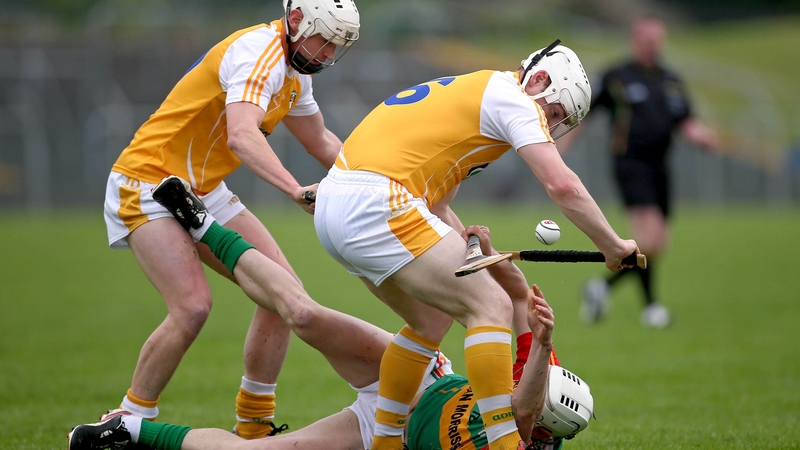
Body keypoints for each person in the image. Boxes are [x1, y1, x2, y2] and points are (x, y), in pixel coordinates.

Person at [69, 186, 593, 450]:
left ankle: (127, 433)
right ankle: (203, 222)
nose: (531, 384)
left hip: (379, 433)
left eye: (542, 426)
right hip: (416, 375)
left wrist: (545, 347)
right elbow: (518, 295)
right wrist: (477, 241)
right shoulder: (538, 374)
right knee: (304, 315)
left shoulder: (521, 431)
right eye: (540, 379)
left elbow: (521, 410)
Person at [312, 41, 637, 450]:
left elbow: (436, 203)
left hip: (342, 197)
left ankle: (387, 443)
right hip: (376, 201)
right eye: (554, 113)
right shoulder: (513, 99)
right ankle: (503, 443)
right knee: (492, 305)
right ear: (538, 79)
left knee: (429, 321)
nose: (550, 127)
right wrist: (612, 245)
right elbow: (563, 185)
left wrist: (470, 247)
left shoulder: (480, 92)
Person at [100, 0, 359, 438]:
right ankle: (127, 420)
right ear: (296, 20)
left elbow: (320, 140)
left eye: (337, 46)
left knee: (283, 293)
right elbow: (242, 135)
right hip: (148, 182)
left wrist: (382, 176)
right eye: (325, 40)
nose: (329, 54)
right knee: (193, 307)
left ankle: (254, 427)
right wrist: (294, 189)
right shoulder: (259, 53)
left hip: (204, 189)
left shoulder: (295, 75)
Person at [577, 16, 719, 328]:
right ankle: (652, 309)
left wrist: (704, 136)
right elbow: (584, 112)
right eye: (646, 40)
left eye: (657, 40)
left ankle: (601, 287)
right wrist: (557, 145)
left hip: (660, 167)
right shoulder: (617, 77)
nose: (652, 46)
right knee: (648, 238)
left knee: (656, 244)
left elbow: (686, 121)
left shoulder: (671, 81)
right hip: (630, 165)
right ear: (634, 41)